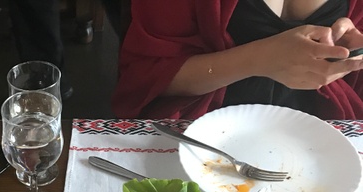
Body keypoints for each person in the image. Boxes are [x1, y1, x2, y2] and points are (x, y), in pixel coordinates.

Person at [112, 0, 363, 120]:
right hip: (204, 129)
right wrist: (259, 59)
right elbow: (147, 76)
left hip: (322, 130)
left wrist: (350, 50)